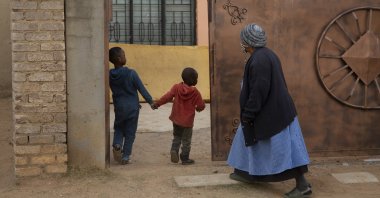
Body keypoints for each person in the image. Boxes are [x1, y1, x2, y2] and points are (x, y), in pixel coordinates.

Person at [227, 24, 312, 198]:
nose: (241, 43)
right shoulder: (266, 55)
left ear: (248, 42)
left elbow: (259, 90)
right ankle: (245, 173)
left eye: (243, 40)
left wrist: (249, 114)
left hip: (274, 113)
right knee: (244, 139)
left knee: (286, 149)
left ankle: (302, 186)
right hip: (276, 109)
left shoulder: (259, 60)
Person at [109, 47, 155, 165]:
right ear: (119, 58)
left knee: (118, 128)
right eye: (124, 55)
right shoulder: (131, 73)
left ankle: (117, 144)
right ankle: (125, 156)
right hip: (133, 109)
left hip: (119, 108)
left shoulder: (109, 75)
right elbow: (142, 89)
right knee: (130, 132)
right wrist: (151, 102)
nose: (125, 57)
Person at [153, 67, 205, 165]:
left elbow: (167, 97)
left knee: (177, 136)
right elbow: (201, 105)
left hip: (176, 119)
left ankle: (174, 150)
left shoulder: (176, 87)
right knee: (186, 140)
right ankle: (185, 158)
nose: (197, 80)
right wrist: (199, 108)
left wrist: (157, 104)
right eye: (196, 78)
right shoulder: (195, 92)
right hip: (188, 122)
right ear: (192, 80)